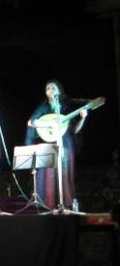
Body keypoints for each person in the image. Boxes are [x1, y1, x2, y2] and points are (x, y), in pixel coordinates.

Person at [25, 80, 87, 209]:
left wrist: (82, 118)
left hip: (65, 143)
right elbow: (31, 122)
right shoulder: (44, 107)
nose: (50, 90)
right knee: (47, 175)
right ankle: (48, 205)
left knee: (64, 173)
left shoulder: (66, 109)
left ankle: (66, 204)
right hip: (48, 142)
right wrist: (50, 124)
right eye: (48, 88)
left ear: (59, 91)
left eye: (53, 87)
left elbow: (74, 130)